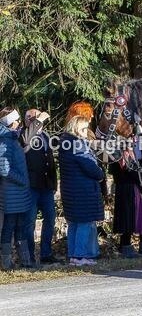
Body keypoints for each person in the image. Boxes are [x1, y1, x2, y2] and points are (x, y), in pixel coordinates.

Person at [59, 113, 105, 266]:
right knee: (85, 223)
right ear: (78, 129)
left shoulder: (66, 143)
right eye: (85, 129)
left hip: (71, 191)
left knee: (74, 224)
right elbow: (90, 167)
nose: (87, 132)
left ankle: (74, 254)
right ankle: (81, 255)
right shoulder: (78, 145)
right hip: (82, 191)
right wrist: (100, 174)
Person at [20, 109, 57, 264]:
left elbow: (50, 161)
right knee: (29, 222)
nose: (33, 119)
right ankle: (29, 256)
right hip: (31, 187)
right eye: (30, 117)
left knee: (50, 219)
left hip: (46, 186)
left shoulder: (46, 136)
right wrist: (39, 119)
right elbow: (26, 142)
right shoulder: (23, 135)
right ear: (24, 120)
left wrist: (54, 183)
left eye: (35, 117)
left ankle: (46, 254)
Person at [0, 108, 36, 270]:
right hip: (11, 193)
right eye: (17, 120)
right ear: (11, 122)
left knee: (20, 227)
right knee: (9, 227)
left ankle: (26, 260)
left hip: (19, 193)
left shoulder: (12, 138)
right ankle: (7, 263)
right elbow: (4, 169)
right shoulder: (4, 140)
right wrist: (23, 181)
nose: (20, 123)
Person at [109, 158, 142, 258]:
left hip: (134, 188)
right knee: (128, 217)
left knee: (140, 217)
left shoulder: (130, 153)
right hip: (127, 189)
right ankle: (126, 246)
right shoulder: (118, 154)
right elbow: (129, 172)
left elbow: (137, 170)